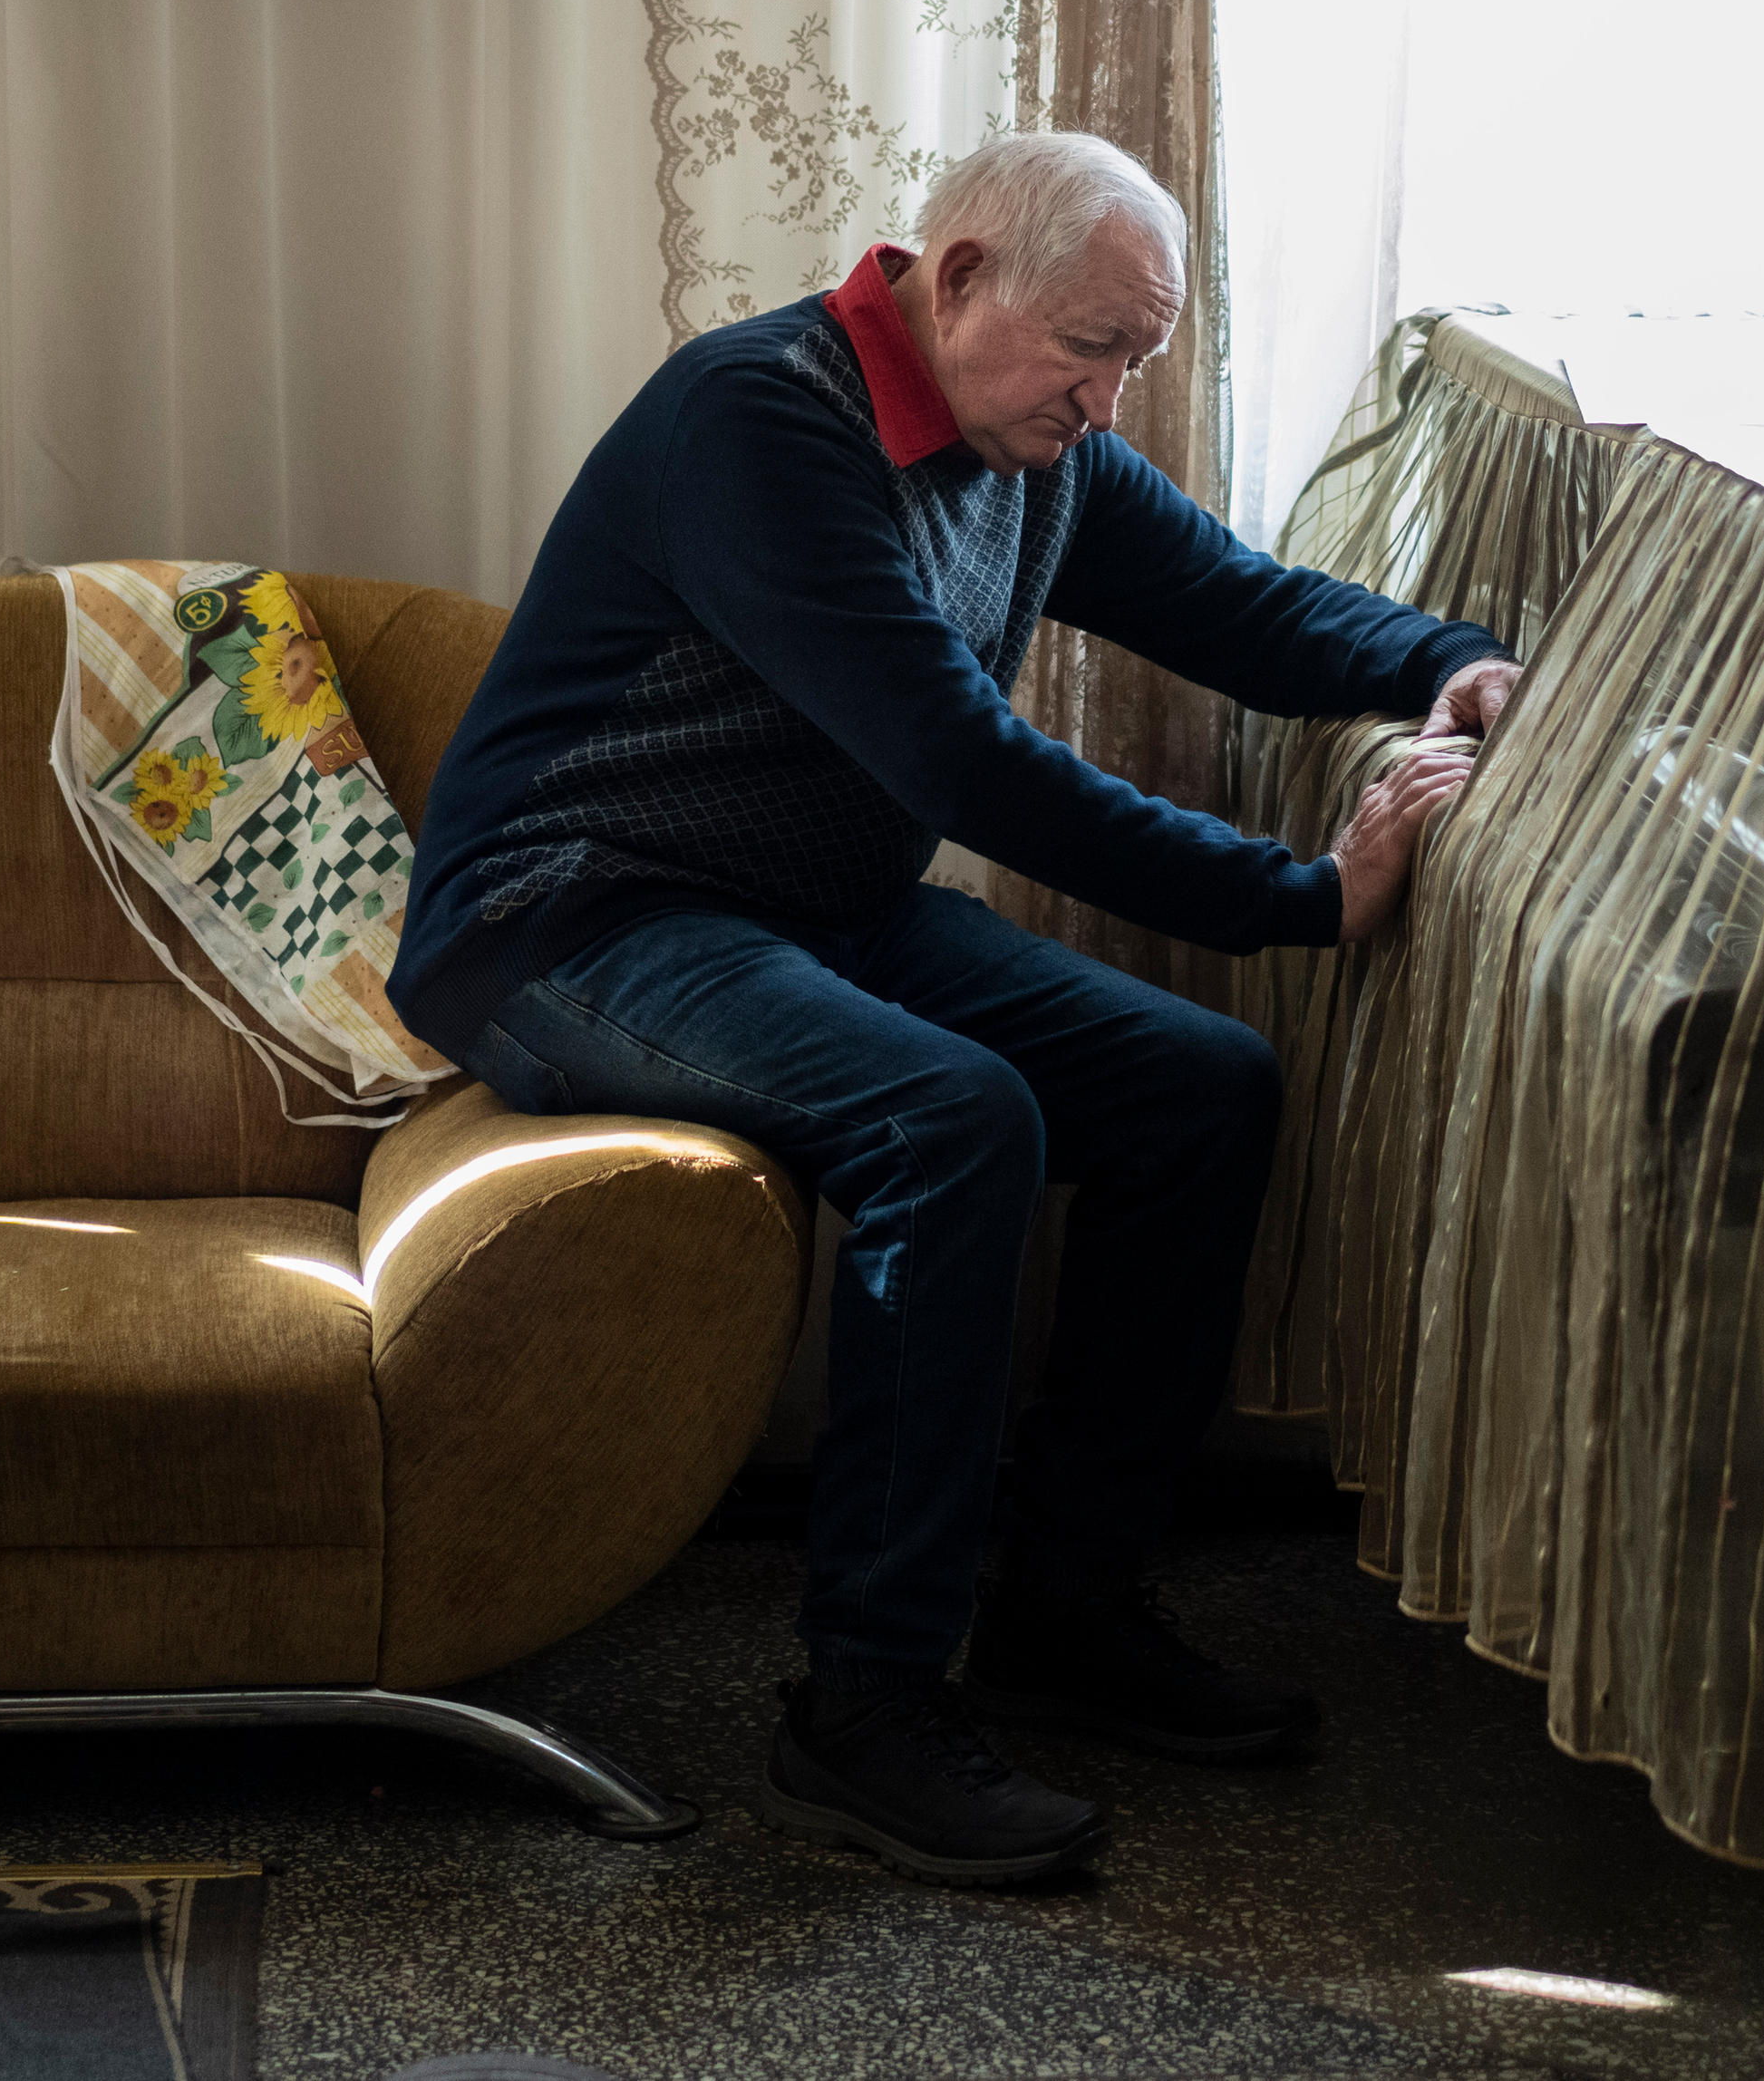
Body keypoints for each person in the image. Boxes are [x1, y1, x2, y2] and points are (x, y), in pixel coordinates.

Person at [388, 131, 1520, 1885]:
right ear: (963, 270)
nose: (1108, 393)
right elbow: (959, 759)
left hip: (806, 908)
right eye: (1093, 345)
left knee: (1200, 1085)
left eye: (1137, 355)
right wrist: (1300, 893)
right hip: (569, 916)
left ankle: (1065, 1608)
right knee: (952, 1117)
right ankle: (864, 1709)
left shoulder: (1032, 444)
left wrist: (1440, 655)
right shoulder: (761, 422)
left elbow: (1233, 600)